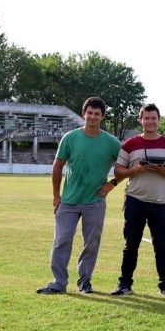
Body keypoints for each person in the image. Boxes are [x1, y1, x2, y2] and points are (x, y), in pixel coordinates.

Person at [37, 96, 122, 294]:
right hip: (69, 200)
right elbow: (57, 166)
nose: (92, 117)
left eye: (97, 114)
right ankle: (59, 283)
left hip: (95, 201)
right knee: (61, 241)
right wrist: (56, 196)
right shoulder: (70, 138)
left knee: (91, 244)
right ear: (84, 114)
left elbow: (126, 166)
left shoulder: (111, 142)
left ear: (102, 117)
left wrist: (113, 183)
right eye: (89, 113)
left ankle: (85, 282)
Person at [110, 103, 165, 297]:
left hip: (161, 203)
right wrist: (136, 170)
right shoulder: (130, 144)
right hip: (135, 200)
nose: (150, 121)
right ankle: (124, 284)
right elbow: (118, 170)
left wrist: (164, 171)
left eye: (154, 118)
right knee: (130, 245)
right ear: (140, 120)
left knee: (161, 247)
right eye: (146, 118)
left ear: (159, 120)